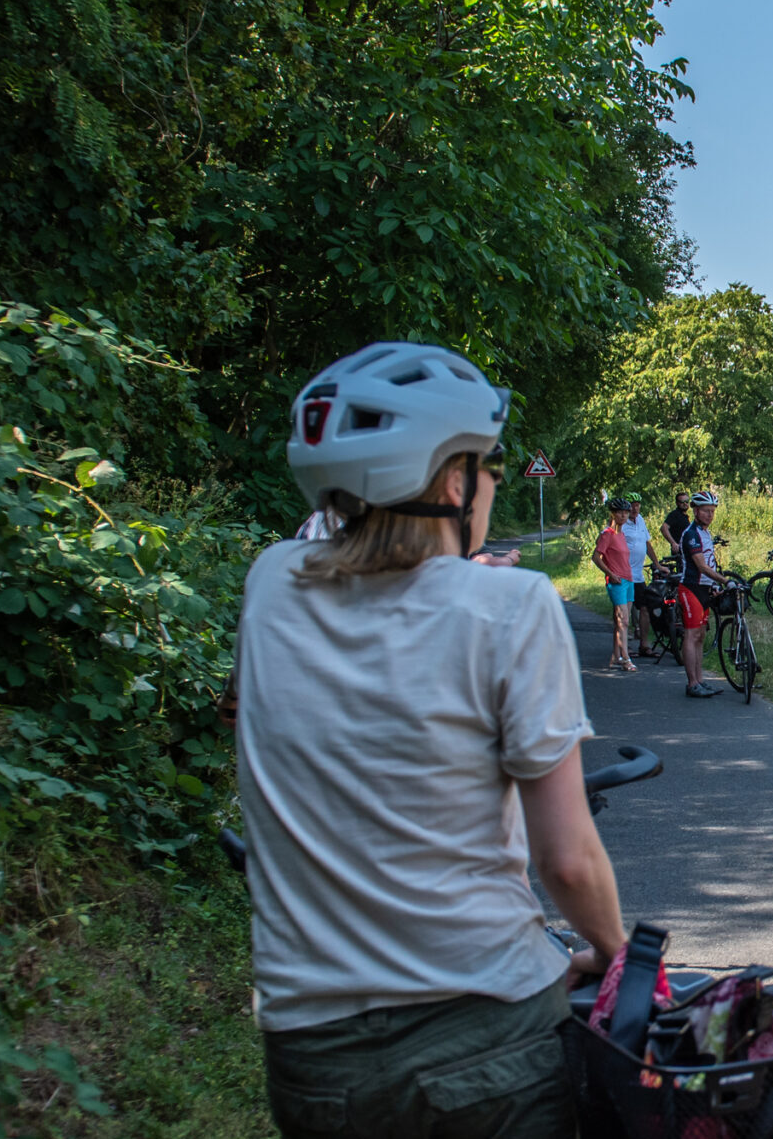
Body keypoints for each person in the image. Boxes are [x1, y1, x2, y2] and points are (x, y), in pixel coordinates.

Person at [234, 341, 623, 1138]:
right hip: (486, 1034)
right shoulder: (513, 608)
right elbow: (567, 861)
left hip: (313, 1055)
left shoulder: (269, 584)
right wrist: (615, 953)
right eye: (487, 465)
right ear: (452, 481)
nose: (493, 481)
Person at [675, 492, 735, 698]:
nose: (710, 515)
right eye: (706, 511)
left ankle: (700, 680)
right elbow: (700, 565)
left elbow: (710, 562)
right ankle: (692, 683)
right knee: (691, 635)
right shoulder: (691, 534)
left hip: (704, 590)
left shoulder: (705, 533)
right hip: (691, 588)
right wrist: (724, 580)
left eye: (712, 511)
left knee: (700, 636)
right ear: (696, 511)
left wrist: (713, 585)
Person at [595, 499, 636, 671]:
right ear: (613, 514)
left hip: (628, 580)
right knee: (624, 621)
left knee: (620, 621)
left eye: (626, 512)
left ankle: (616, 655)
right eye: (620, 512)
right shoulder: (608, 534)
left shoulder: (621, 534)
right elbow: (596, 557)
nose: (624, 515)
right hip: (616, 581)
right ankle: (626, 658)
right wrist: (610, 574)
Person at [620, 494, 659, 657]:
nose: (635, 509)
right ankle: (624, 646)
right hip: (624, 574)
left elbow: (647, 543)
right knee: (625, 612)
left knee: (645, 608)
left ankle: (644, 644)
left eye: (637, 505)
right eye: (632, 506)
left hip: (638, 574)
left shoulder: (640, 520)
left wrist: (657, 564)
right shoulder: (621, 524)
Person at [662, 492, 693, 564]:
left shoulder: (684, 516)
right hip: (680, 552)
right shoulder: (675, 515)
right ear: (677, 503)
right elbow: (664, 528)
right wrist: (673, 543)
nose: (685, 504)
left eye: (686, 502)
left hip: (687, 550)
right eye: (682, 502)